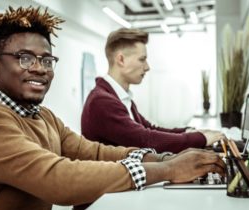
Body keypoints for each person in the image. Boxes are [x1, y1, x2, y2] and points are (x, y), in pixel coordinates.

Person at [0, 6, 225, 210]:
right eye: (25, 58)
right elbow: (57, 178)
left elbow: (92, 152)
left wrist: (166, 158)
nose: (40, 68)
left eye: (46, 60)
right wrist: (168, 170)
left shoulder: (42, 116)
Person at [81, 28, 224, 154]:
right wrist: (200, 138)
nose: (147, 67)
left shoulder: (119, 98)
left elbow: (149, 128)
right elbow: (145, 140)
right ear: (121, 60)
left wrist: (188, 132)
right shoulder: (102, 101)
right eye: (142, 59)